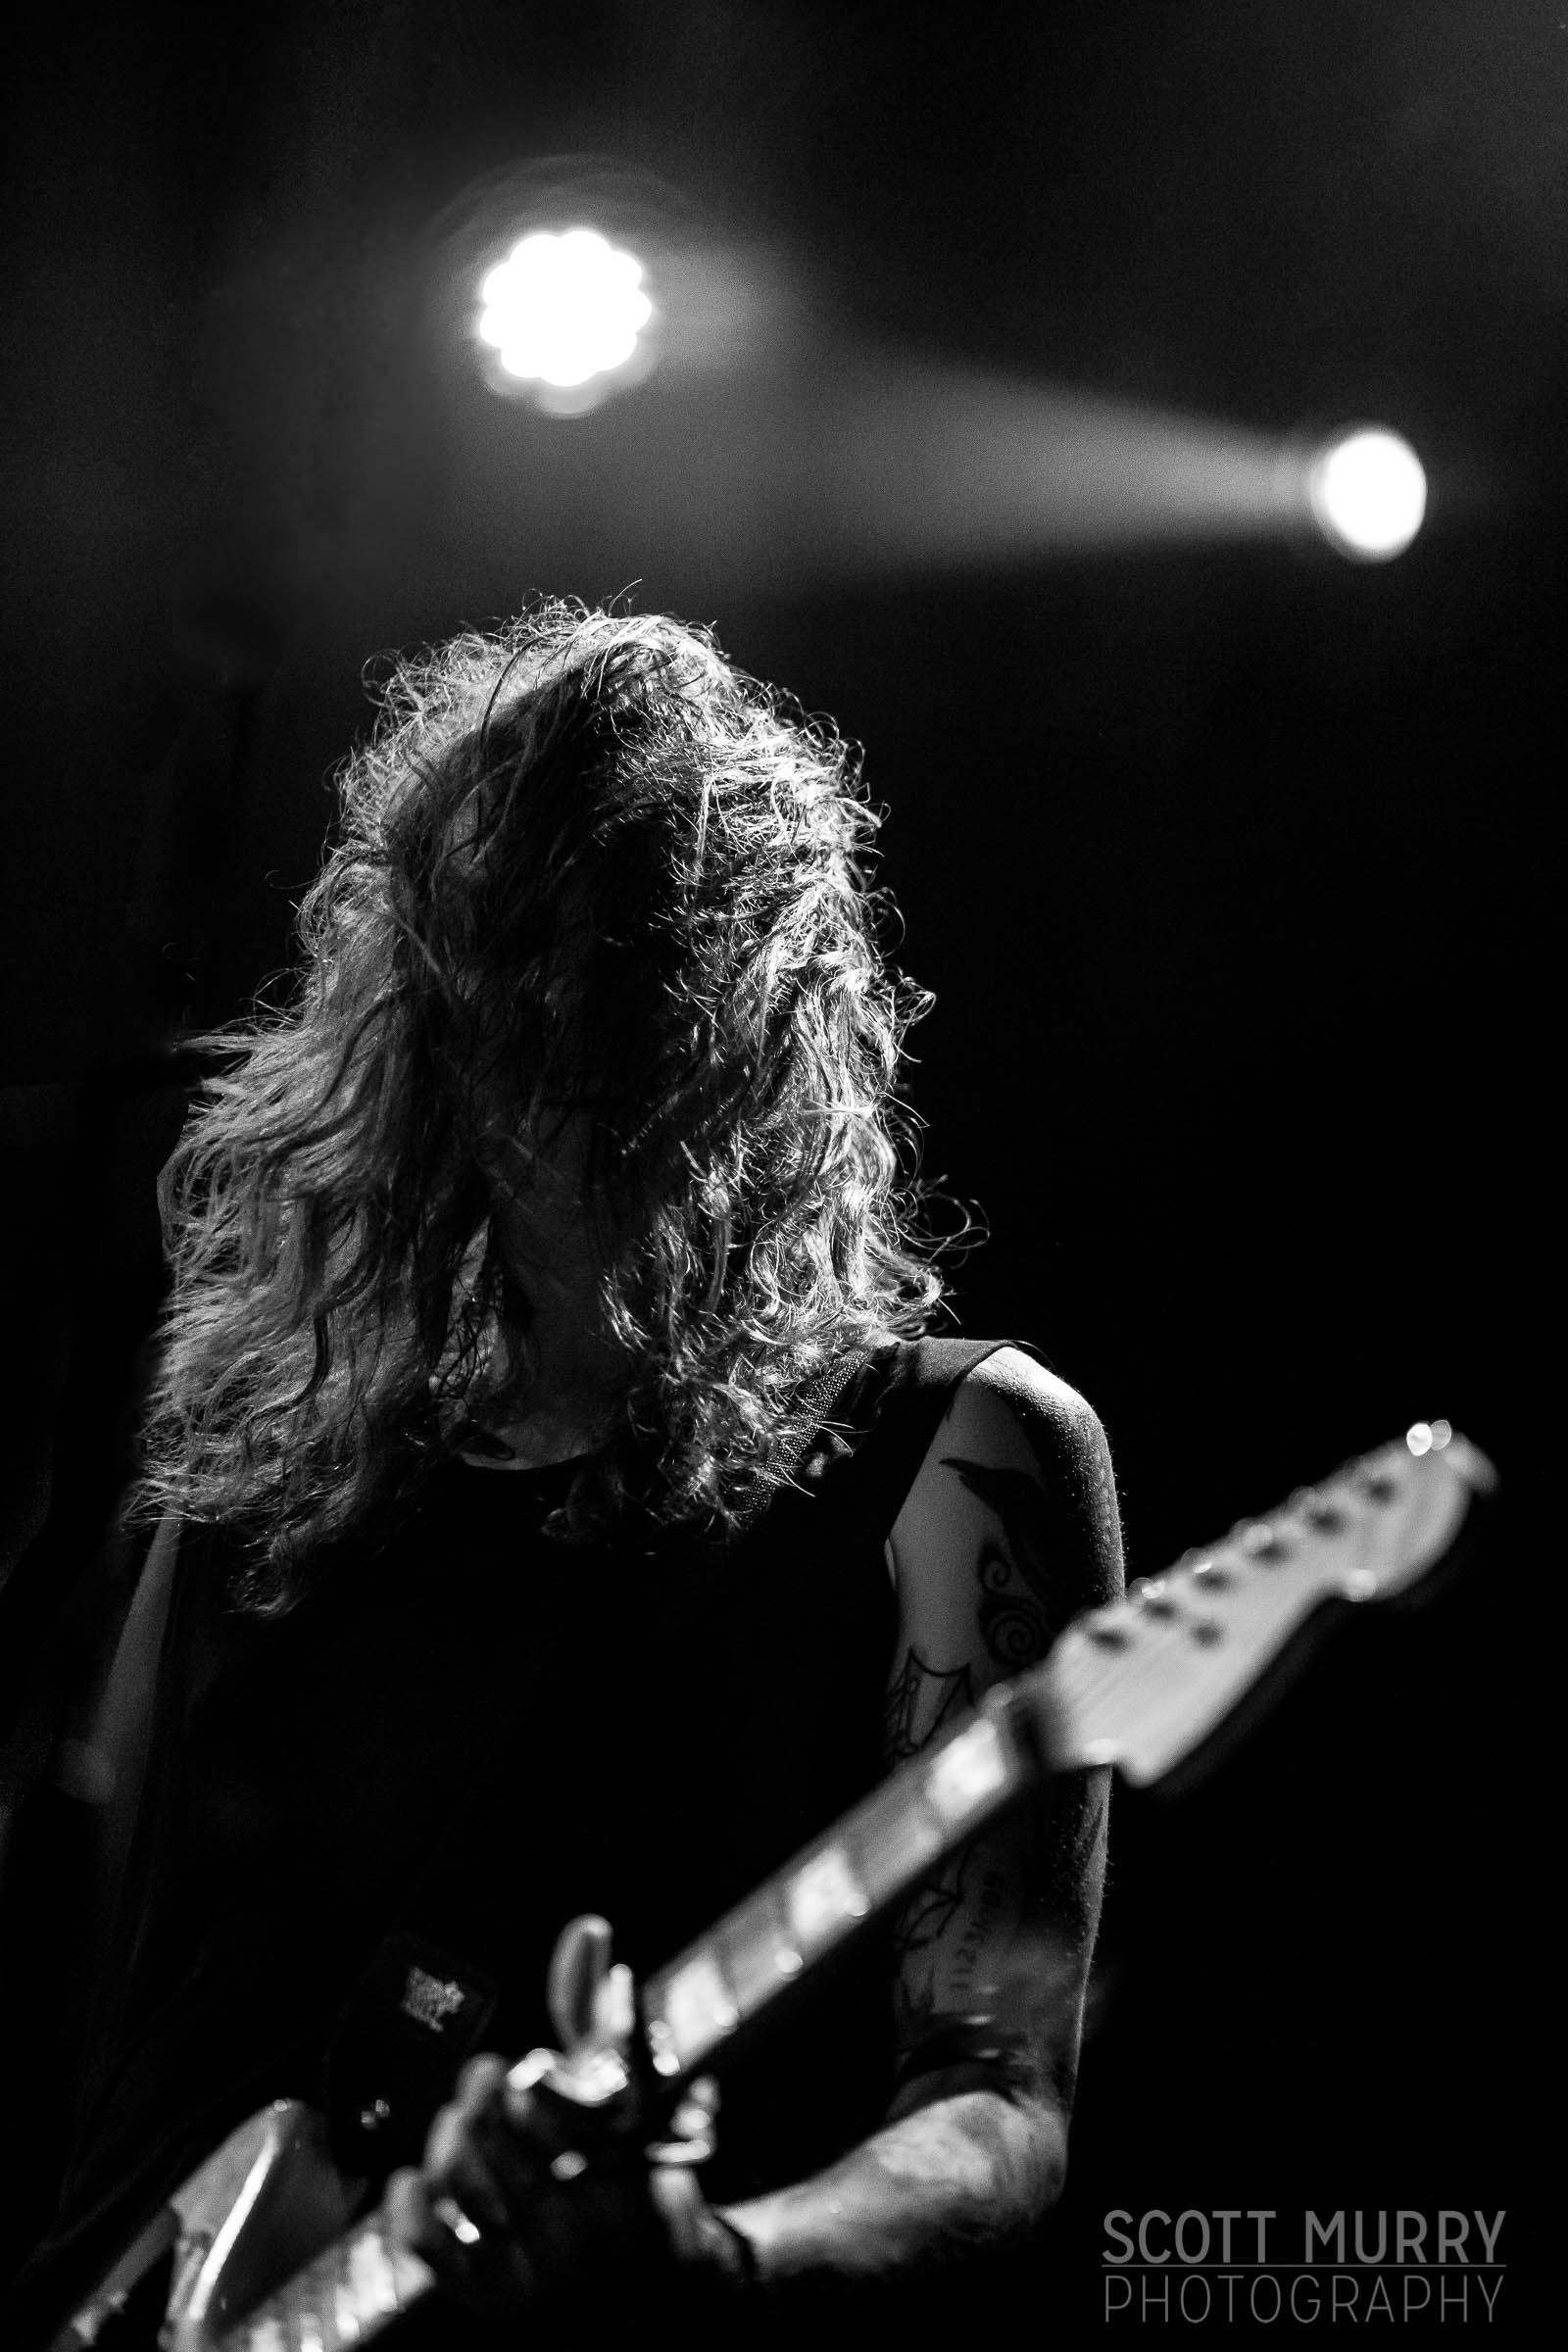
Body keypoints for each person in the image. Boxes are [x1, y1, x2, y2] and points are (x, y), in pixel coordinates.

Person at [6, 602, 1122, 2344]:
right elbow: (93, 2055)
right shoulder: (270, 1463)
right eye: (498, 955)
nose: (554, 1045)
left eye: (618, 960)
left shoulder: (952, 1459)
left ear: (748, 1010)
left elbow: (999, 2108)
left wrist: (720, 2261)